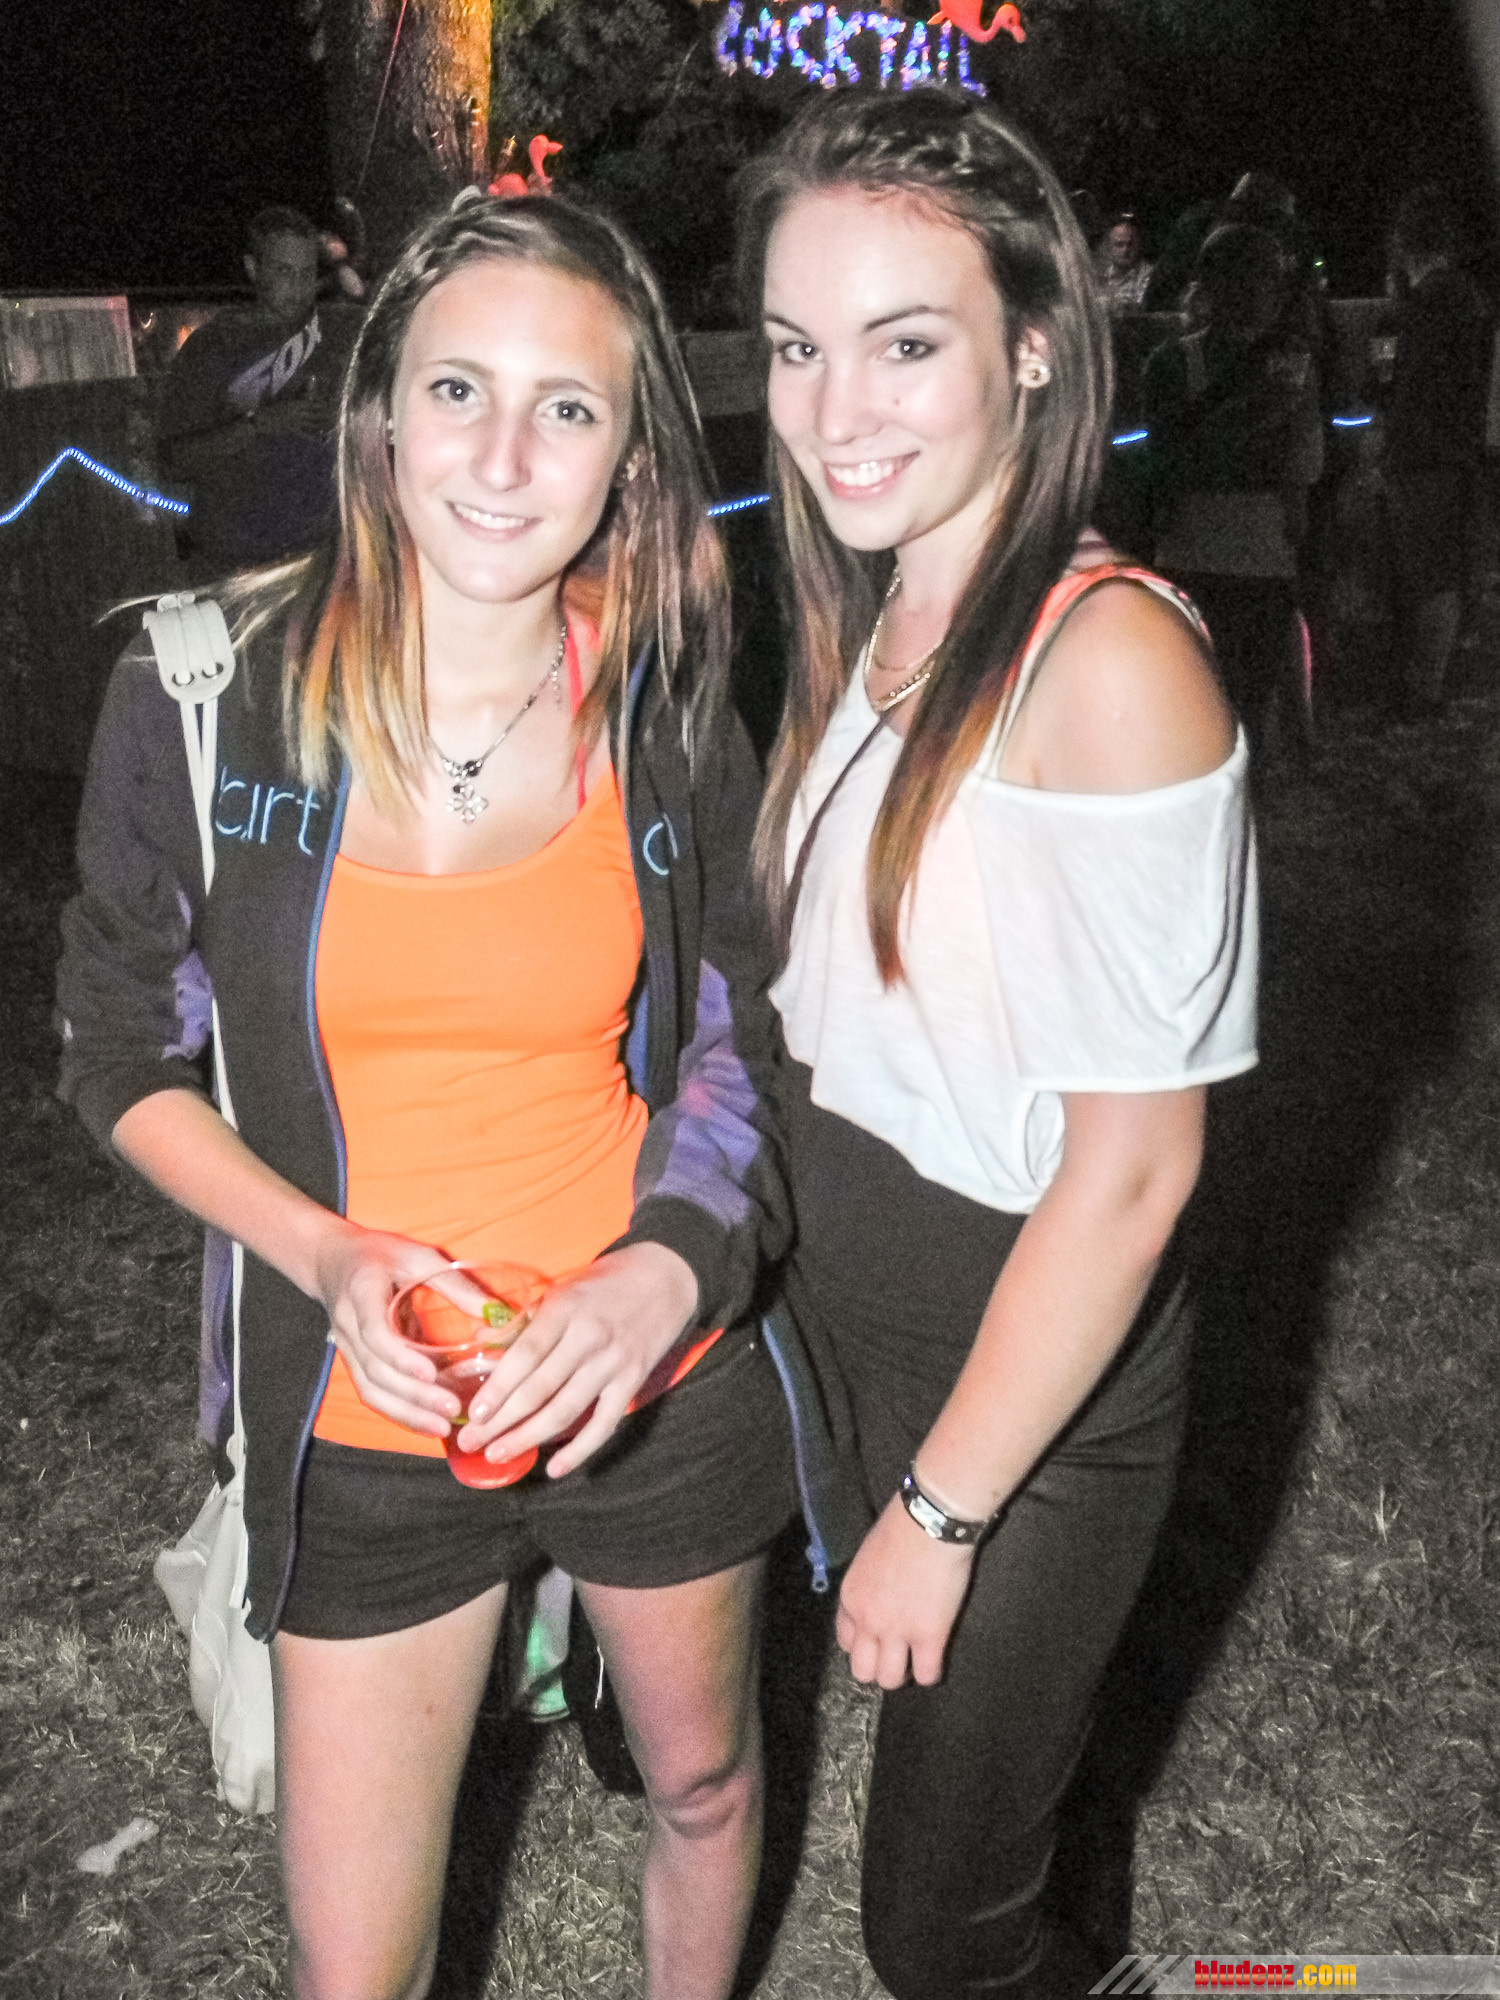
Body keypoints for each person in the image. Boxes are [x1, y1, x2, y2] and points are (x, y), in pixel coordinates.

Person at [58, 189, 797, 2000]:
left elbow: (750, 1033)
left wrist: (667, 1274)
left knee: (703, 1784)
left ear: (629, 459)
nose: (503, 457)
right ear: (378, 407)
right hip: (364, 1407)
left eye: (569, 407)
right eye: (459, 389)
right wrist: (323, 1257)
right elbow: (118, 1053)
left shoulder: (660, 702)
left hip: (650, 1372)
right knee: (354, 1969)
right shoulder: (205, 695)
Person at [736, 89, 1258, 1997]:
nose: (833, 410)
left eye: (904, 345)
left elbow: (1135, 1174)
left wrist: (944, 1514)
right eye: (796, 346)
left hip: (1023, 1375)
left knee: (940, 1939)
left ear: (1033, 347)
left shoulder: (1106, 661)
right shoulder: (871, 603)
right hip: (825, 1297)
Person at [1143, 222, 1324, 767]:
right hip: (1236, 547)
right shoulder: (1278, 365)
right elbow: (1300, 457)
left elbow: (1165, 458)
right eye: (1259, 279)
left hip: (1208, 545)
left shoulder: (1172, 363)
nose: (1267, 293)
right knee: (1237, 700)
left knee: (1208, 697)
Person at [158, 206, 357, 571]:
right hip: (239, 562)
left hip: (326, 558)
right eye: (284, 271)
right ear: (253, 269)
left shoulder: (341, 334)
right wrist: (259, 424)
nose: (298, 286)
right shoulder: (211, 347)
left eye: (307, 273)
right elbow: (174, 462)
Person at [1377, 184, 1492, 716]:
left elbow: (1393, 383)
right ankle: (1432, 683)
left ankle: (1421, 690)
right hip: (1457, 449)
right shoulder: (1469, 298)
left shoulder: (1419, 307)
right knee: (1446, 566)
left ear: (1403, 242)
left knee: (1426, 571)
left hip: (1420, 453)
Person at [1098, 211, 1153, 313]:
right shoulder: (1102, 276)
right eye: (1119, 244)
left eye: (1130, 244)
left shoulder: (1149, 277)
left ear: (1139, 245)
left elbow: (1141, 312)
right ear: (1109, 247)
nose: (1125, 250)